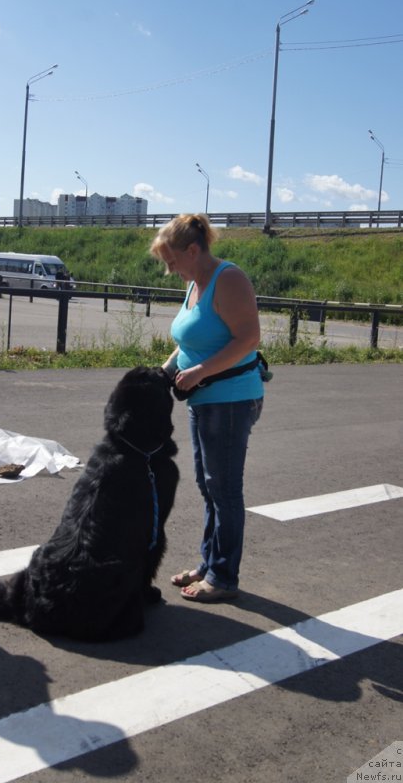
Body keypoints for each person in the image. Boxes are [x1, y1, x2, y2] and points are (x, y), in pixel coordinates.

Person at [149, 213, 264, 603]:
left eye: (172, 260)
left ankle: (223, 576)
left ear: (192, 250)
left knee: (225, 490)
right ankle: (209, 561)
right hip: (205, 398)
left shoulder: (228, 279)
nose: (170, 269)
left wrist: (198, 372)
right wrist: (163, 374)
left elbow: (248, 338)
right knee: (208, 486)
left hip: (230, 400)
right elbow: (193, 341)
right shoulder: (196, 283)